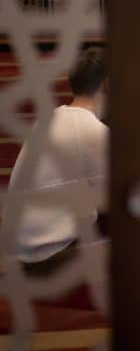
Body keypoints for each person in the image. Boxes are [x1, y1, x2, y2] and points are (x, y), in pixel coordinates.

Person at [6, 46, 109, 269]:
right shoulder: (91, 129)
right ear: (105, 85)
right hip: (49, 256)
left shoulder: (47, 120)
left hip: (19, 251)